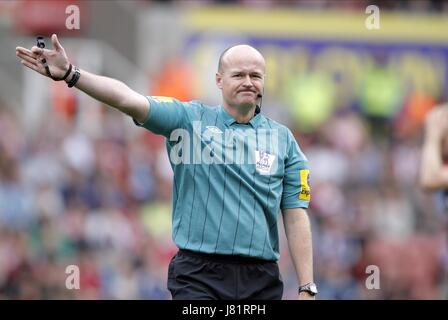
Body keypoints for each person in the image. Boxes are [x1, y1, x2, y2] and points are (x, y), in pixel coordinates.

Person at [15, 34, 316, 300]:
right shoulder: (187, 120)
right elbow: (127, 99)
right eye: (238, 74)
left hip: (260, 277)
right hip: (199, 275)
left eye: (255, 75)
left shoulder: (283, 140)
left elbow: (295, 213)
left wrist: (306, 286)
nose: (248, 82)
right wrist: (71, 74)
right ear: (219, 80)